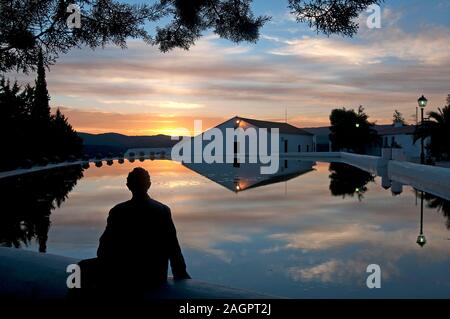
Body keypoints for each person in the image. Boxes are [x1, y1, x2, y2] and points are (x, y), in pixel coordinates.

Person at [85, 167, 191, 290]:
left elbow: (104, 248)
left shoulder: (118, 211)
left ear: (128, 186)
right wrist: (181, 274)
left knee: (81, 269)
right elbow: (173, 248)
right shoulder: (163, 210)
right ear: (149, 185)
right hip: (155, 276)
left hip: (126, 275)